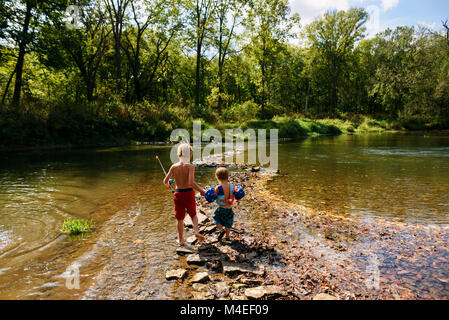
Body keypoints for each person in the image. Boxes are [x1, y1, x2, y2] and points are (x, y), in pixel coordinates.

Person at [163, 143, 206, 246]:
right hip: (189, 193)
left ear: (179, 154)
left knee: (180, 218)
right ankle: (196, 231)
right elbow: (191, 182)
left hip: (178, 194)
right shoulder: (190, 167)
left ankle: (181, 239)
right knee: (193, 214)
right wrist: (201, 190)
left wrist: (168, 184)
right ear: (190, 155)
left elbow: (165, 181)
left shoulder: (174, 166)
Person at [212, 167, 237, 240]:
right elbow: (235, 194)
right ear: (227, 176)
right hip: (229, 209)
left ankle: (221, 229)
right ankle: (227, 236)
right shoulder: (232, 186)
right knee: (228, 223)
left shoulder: (218, 187)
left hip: (221, 209)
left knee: (216, 217)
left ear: (217, 177)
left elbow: (214, 196)